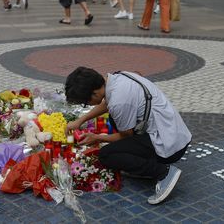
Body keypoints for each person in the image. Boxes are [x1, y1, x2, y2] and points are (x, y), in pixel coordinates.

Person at [65, 67, 192, 204]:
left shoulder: (119, 101)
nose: (87, 105)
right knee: (115, 120)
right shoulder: (118, 78)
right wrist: (80, 121)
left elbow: (126, 136)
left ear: (95, 93)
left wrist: (97, 137)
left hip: (170, 146)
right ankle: (145, 164)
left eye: (85, 102)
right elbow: (107, 104)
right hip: (174, 132)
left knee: (107, 155)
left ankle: (164, 172)